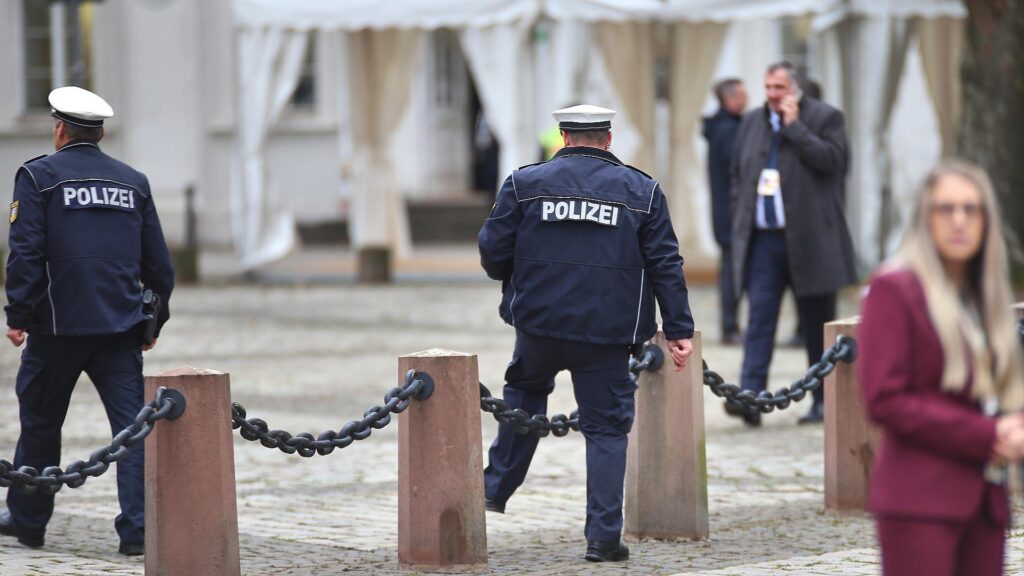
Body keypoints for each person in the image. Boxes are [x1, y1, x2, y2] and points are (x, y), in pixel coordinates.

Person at [479, 104, 694, 562]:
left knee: (523, 398)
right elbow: (665, 265)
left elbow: (492, 250)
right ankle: (602, 538)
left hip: (538, 324)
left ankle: (494, 489)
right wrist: (678, 329)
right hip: (608, 333)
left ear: (563, 136)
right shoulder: (643, 190)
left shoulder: (524, 184)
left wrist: (516, 278)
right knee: (607, 430)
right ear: (608, 139)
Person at [0, 87, 175, 556]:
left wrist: (17, 313)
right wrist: (151, 323)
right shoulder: (133, 181)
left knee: (40, 422)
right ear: (99, 133)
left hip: (56, 327)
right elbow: (158, 266)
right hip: (119, 329)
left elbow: (26, 253)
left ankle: (29, 520)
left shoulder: (38, 176)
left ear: (59, 128)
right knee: (132, 431)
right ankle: (139, 532)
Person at [857, 159, 1024, 575]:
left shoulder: (984, 295)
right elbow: (886, 400)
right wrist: (988, 434)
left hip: (987, 500)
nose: (960, 220)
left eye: (972, 209)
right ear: (924, 218)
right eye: (945, 208)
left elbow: (995, 389)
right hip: (921, 500)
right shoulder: (894, 289)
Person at [729, 62, 857, 426]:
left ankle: (822, 401)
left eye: (780, 87)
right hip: (764, 242)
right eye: (768, 86)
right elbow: (737, 175)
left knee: (818, 324)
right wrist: (741, 213)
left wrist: (795, 128)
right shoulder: (752, 121)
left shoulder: (826, 117)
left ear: (796, 90)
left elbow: (833, 163)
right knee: (759, 321)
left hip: (811, 240)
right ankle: (749, 399)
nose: (772, 94)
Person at [703, 78, 747, 345]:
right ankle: (730, 327)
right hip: (732, 211)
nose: (746, 99)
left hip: (725, 210)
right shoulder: (729, 131)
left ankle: (731, 326)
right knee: (733, 271)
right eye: (741, 95)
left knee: (731, 268)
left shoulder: (722, 127)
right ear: (729, 99)